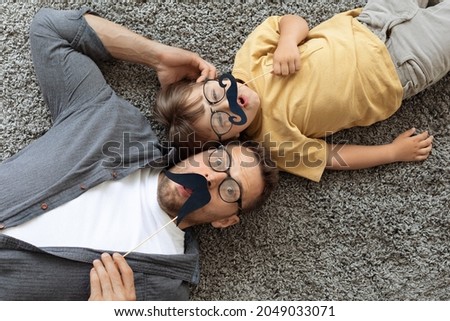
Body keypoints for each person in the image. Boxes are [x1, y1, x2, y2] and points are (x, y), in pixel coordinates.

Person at [0, 8, 278, 301]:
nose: (210, 177)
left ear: (226, 221)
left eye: (230, 188)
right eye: (219, 162)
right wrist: (156, 56)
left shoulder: (162, 290)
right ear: (200, 154)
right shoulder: (112, 123)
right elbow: (51, 29)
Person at [154, 0, 449, 182]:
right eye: (221, 121)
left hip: (369, 21)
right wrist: (390, 152)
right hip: (403, 67)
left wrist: (288, 42)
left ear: (207, 80)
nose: (230, 106)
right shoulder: (274, 144)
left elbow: (290, 21)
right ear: (228, 141)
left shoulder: (248, 59)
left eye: (215, 96)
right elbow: (332, 157)